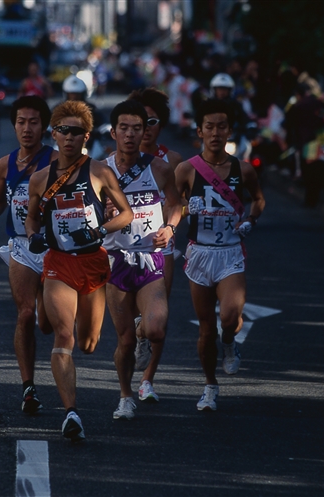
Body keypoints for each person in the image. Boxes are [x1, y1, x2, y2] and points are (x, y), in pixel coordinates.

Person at [25, 100, 133, 441]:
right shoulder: (40, 178)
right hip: (59, 262)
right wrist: (33, 237)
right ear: (53, 134)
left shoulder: (100, 171)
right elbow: (30, 217)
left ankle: (48, 308)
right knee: (64, 336)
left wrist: (101, 231)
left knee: (87, 342)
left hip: (93, 262)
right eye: (62, 131)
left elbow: (126, 214)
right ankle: (71, 412)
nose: (69, 138)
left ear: (86, 137)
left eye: (76, 132)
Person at [174, 99, 265, 412]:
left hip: (229, 253)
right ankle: (210, 385)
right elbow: (172, 205)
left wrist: (251, 220)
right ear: (199, 130)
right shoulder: (186, 169)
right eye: (209, 127)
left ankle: (231, 343)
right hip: (199, 254)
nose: (215, 133)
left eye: (221, 127)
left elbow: (258, 199)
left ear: (229, 131)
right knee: (205, 329)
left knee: (229, 317)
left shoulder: (242, 169)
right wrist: (185, 210)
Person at [101, 100, 182, 418]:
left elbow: (176, 204)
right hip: (116, 261)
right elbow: (84, 214)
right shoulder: (99, 170)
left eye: (138, 128)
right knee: (123, 341)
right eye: (124, 128)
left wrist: (170, 227)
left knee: (156, 329)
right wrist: (101, 214)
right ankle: (124, 396)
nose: (131, 134)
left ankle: (143, 332)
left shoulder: (159, 168)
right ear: (113, 132)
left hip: (150, 257)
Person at [0, 95, 59, 414]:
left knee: (47, 323)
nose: (27, 128)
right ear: (14, 125)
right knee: (25, 314)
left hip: (54, 248)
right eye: (21, 122)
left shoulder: (57, 160)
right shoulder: (5, 163)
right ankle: (28, 387)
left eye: (33, 122)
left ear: (44, 126)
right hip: (20, 246)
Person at [126, 87, 183, 373]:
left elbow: (180, 202)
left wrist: (171, 226)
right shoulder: (116, 160)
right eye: (140, 121)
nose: (146, 128)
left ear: (162, 124)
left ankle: (148, 379)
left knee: (158, 315)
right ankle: (137, 337)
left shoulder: (172, 161)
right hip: (124, 246)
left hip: (162, 244)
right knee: (132, 317)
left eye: (152, 122)